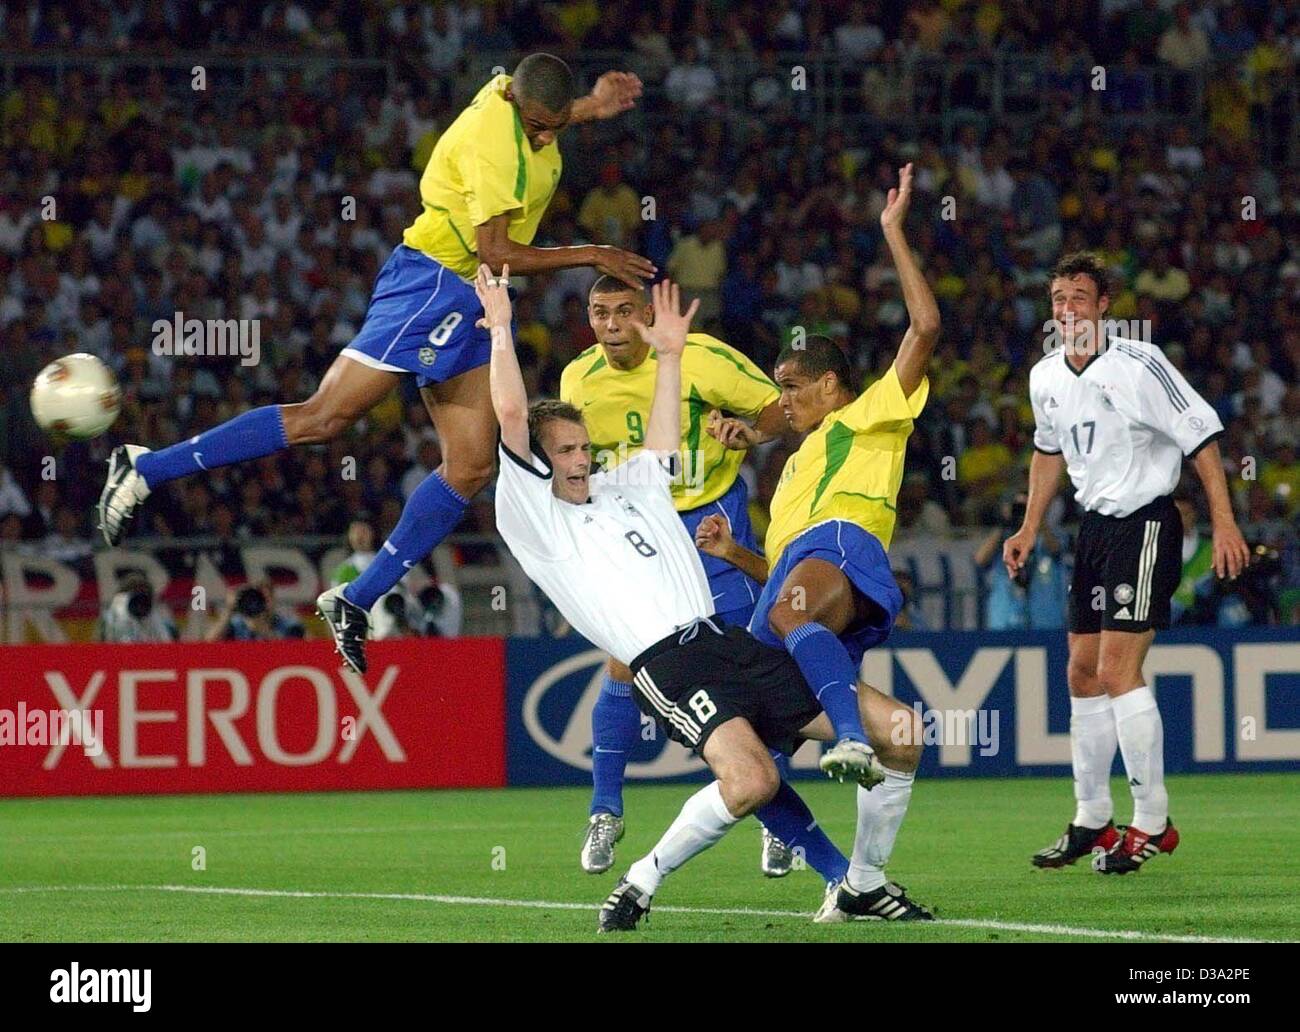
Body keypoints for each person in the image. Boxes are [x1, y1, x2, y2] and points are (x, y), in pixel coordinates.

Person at [97, 54, 654, 675]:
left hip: (472, 294)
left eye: (556, 124)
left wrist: (588, 108)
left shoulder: (515, 99)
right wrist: (592, 252)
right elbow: (496, 249)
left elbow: (539, 113)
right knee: (323, 417)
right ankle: (145, 468)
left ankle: (355, 598)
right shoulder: (494, 144)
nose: (549, 136)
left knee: (469, 467)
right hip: (433, 282)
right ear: (519, 111)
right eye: (540, 126)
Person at [481, 267, 931, 932]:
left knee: (904, 734)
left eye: (584, 446)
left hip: (721, 641)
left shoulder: (626, 483)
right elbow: (515, 415)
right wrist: (499, 326)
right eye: (567, 451)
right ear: (538, 465)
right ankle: (640, 878)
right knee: (752, 782)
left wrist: (668, 356)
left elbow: (663, 437)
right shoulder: (533, 516)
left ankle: (861, 884)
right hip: (665, 664)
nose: (581, 459)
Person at [696, 164, 939, 918]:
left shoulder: (872, 413)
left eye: (793, 385)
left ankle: (852, 813)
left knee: (886, 723)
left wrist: (893, 233)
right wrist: (739, 557)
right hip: (791, 595)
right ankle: (856, 880)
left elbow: (925, 328)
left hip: (831, 568)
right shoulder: (795, 466)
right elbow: (787, 580)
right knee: (769, 764)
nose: (783, 399)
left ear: (834, 385)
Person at [1002, 252, 1249, 874]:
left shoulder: (1141, 363)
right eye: (1059, 298)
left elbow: (1202, 439)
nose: (1067, 309)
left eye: (1079, 297)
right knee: (1081, 673)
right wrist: (1030, 526)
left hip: (1146, 522)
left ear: (1104, 304)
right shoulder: (1046, 376)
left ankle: (1153, 821)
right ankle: (1092, 816)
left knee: (1116, 671)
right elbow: (1047, 451)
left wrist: (1223, 522)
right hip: (1094, 529)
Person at [559, 273, 791, 877]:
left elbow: (776, 411)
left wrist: (750, 431)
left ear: (644, 314)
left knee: (749, 664)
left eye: (624, 312)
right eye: (599, 313)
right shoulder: (577, 378)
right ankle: (605, 810)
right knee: (621, 663)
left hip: (711, 525)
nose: (611, 325)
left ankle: (774, 820)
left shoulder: (704, 357)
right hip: (639, 535)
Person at [974, 493, 1066, 630]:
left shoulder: (1051, 536)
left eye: (1027, 507)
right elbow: (980, 559)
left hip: (1044, 622)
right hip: (1004, 621)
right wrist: (1004, 523)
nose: (1022, 513)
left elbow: (1056, 550)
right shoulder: (1001, 538)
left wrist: (1036, 519)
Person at [205, 579, 304, 642]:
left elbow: (293, 653)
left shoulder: (289, 625)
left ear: (273, 600)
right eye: (257, 599)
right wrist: (229, 609)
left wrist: (263, 631)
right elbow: (210, 642)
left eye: (266, 599)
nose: (261, 604)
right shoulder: (236, 624)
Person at [100, 572, 176, 643]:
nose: (138, 602)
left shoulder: (161, 617)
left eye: (142, 594)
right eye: (133, 593)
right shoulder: (109, 618)